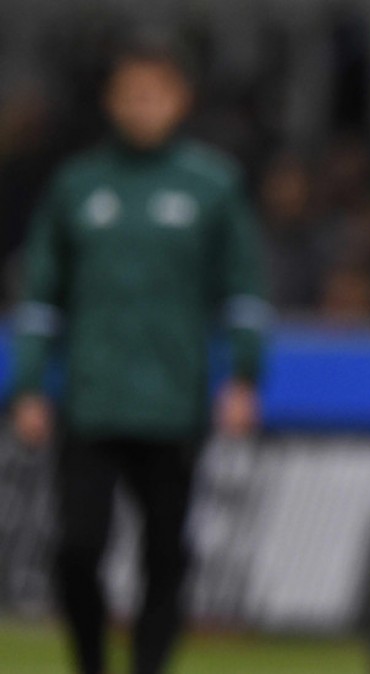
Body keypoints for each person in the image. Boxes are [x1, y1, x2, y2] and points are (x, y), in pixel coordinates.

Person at [9, 36, 268, 674]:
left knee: (166, 554)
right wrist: (29, 383)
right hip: (92, 400)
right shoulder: (77, 185)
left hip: (173, 403)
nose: (141, 106)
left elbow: (243, 291)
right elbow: (40, 295)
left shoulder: (211, 185)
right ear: (110, 100)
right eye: (130, 94)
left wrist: (243, 377)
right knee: (76, 548)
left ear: (179, 100)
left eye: (154, 94)